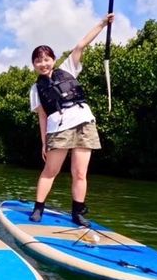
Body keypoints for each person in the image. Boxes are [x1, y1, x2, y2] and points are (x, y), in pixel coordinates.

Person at [26, 14, 114, 226]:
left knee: (80, 173)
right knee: (50, 171)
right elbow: (42, 117)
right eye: (38, 60)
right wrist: (44, 143)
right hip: (59, 128)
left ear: (53, 60)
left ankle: (77, 212)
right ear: (34, 64)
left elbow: (81, 45)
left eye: (46, 59)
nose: (43, 63)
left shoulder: (67, 68)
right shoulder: (35, 89)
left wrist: (102, 24)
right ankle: (39, 208)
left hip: (84, 122)